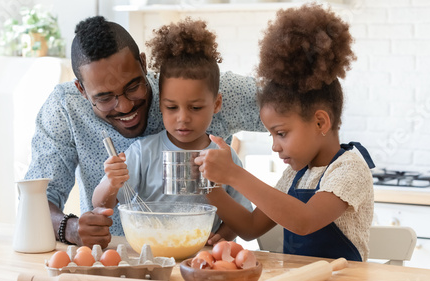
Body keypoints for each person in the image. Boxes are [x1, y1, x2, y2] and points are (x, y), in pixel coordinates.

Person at [24, 16, 264, 248]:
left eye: (133, 86)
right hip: (120, 257)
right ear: (82, 90)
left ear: (143, 63)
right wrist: (72, 229)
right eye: (105, 97)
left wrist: (296, 190)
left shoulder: (200, 84)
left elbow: (294, 106)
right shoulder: (65, 107)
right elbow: (36, 199)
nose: (125, 106)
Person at [195, 4, 375, 261]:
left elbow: (305, 220)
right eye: (271, 135)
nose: (275, 146)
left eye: (281, 133)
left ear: (320, 123)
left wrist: (234, 174)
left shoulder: (349, 170)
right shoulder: (295, 175)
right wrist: (209, 186)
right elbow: (250, 227)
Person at [92, 17, 252, 244]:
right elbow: (100, 204)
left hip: (203, 261)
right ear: (160, 105)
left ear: (216, 104)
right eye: (171, 107)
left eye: (195, 107)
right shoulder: (143, 152)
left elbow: (242, 215)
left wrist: (221, 239)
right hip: (153, 252)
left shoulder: (224, 158)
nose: (183, 118)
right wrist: (111, 182)